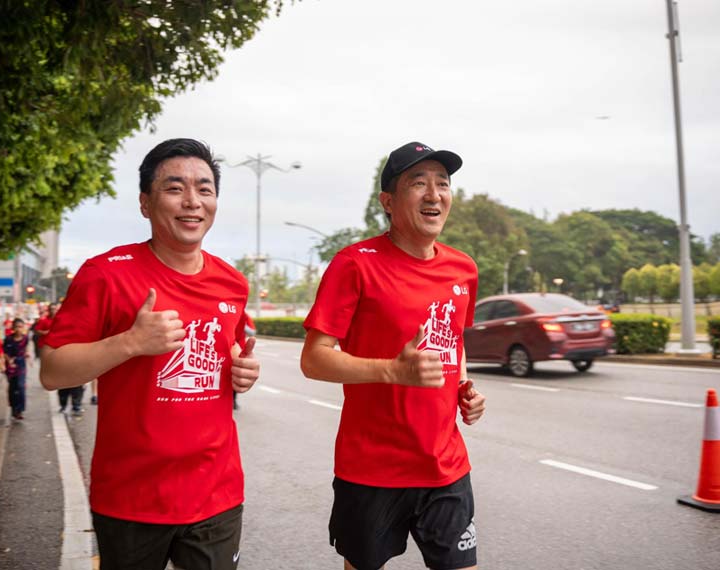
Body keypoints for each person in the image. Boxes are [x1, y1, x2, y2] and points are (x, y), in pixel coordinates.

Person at [40, 138, 260, 570]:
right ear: (145, 203)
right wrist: (131, 342)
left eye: (205, 189)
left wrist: (243, 369)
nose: (192, 201)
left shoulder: (232, 282)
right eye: (175, 188)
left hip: (215, 490)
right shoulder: (106, 274)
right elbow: (52, 370)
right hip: (131, 497)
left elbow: (229, 348)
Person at [300, 141, 487, 570]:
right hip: (372, 470)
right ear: (388, 201)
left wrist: (464, 388)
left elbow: (453, 342)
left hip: (445, 465)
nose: (434, 194)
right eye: (418, 183)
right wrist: (392, 370)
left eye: (443, 183)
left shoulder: (463, 268)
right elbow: (313, 359)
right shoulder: (354, 264)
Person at [3, 317, 31, 420]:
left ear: (23, 328)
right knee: (13, 387)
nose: (18, 329)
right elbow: (4, 352)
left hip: (21, 364)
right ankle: (13, 408)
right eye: (16, 327)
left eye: (20, 327)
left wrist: (27, 354)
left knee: (21, 386)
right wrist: (9, 360)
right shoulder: (8, 339)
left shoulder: (25, 338)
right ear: (13, 328)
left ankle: (20, 410)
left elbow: (26, 348)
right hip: (10, 366)